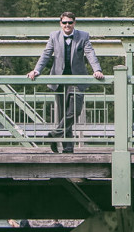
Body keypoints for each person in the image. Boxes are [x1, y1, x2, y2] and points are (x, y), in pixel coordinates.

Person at [27, 12, 104, 153]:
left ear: (74, 23)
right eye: (64, 23)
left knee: (75, 111)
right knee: (63, 115)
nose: (67, 25)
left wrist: (97, 70)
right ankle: (67, 148)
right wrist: (36, 70)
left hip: (77, 79)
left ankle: (54, 135)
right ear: (60, 24)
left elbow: (90, 54)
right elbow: (46, 54)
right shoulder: (54, 36)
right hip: (59, 80)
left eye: (70, 22)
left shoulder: (83, 36)